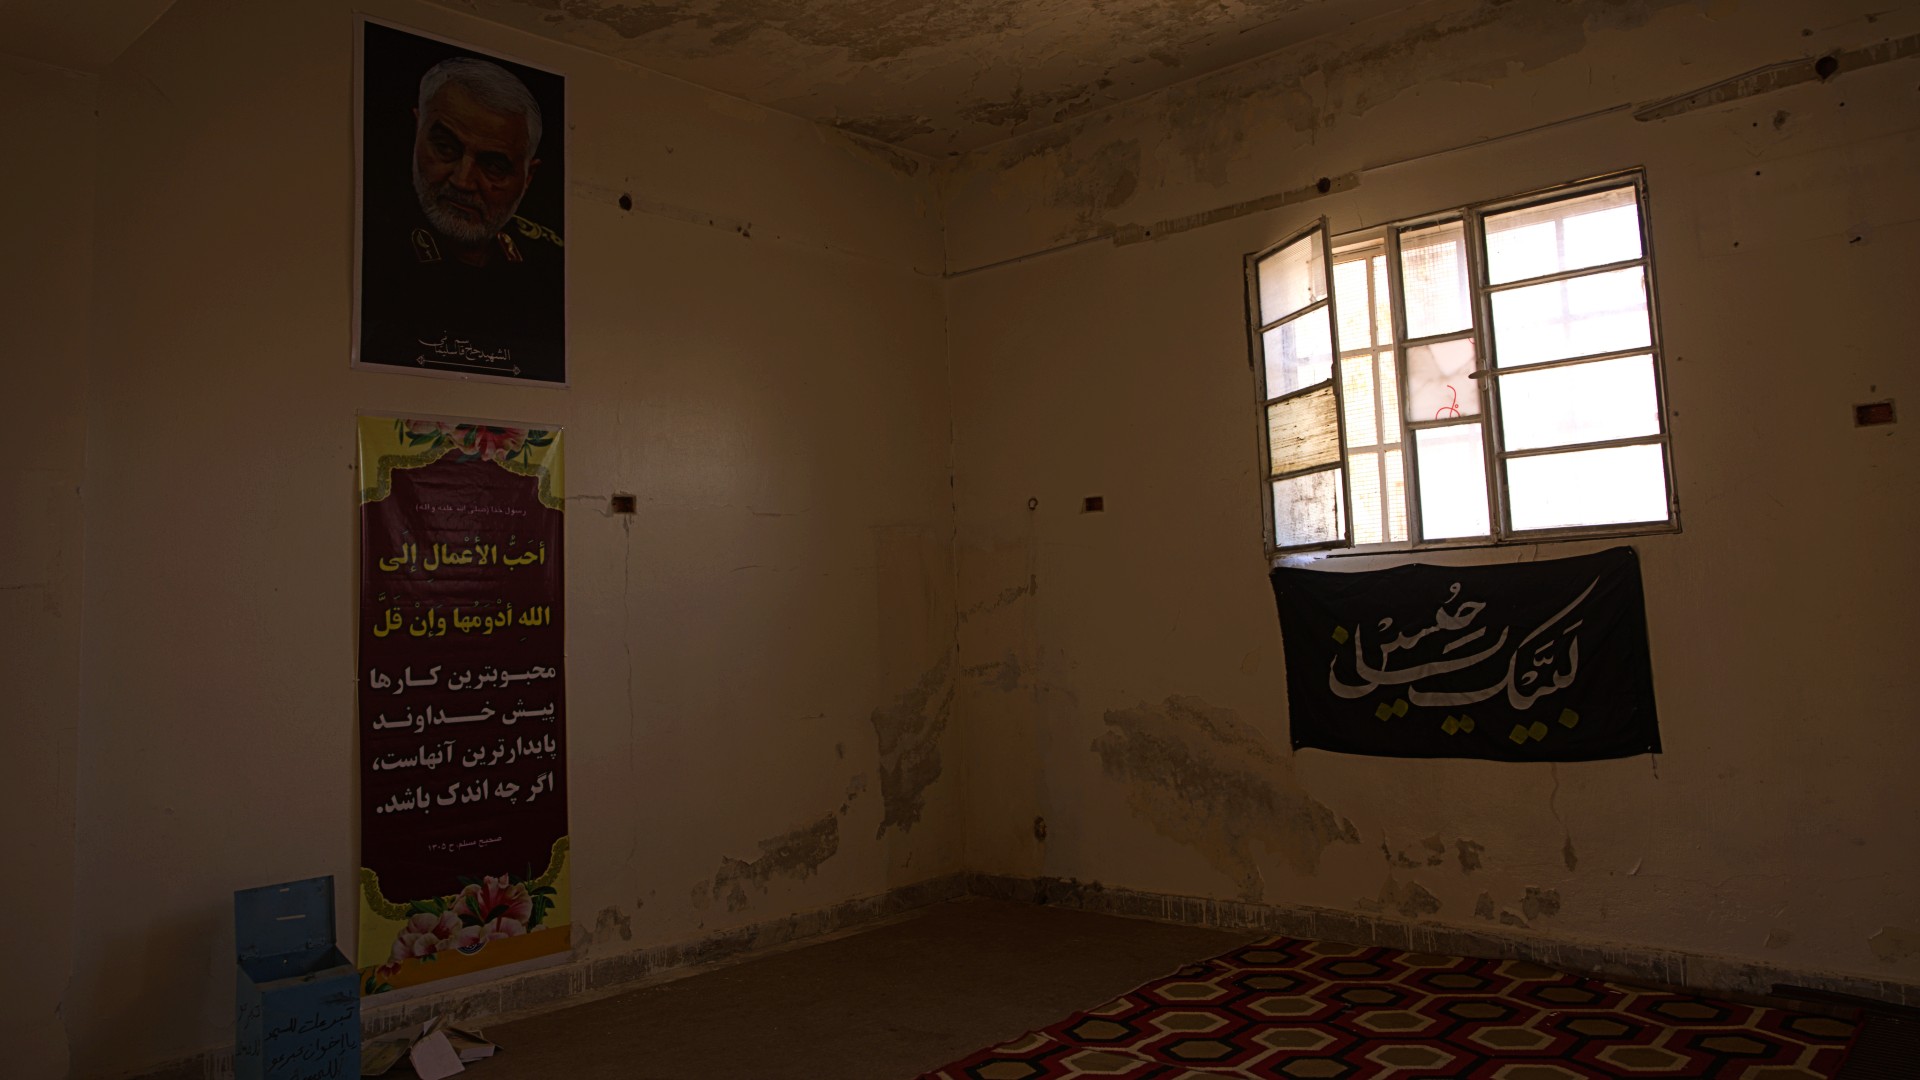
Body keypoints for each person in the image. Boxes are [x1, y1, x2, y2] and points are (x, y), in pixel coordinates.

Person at [360, 53, 565, 382]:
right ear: (417, 132)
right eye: (445, 148)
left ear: (527, 178)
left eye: (494, 166)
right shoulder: (371, 245)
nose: (463, 180)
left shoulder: (549, 263)